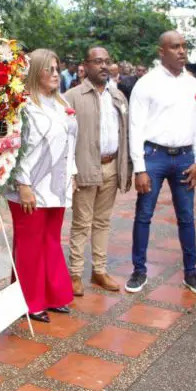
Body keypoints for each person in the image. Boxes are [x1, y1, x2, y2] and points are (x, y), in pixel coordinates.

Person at [126, 31, 196, 296]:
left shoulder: (194, 86)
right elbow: (135, 127)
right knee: (144, 215)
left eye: (184, 46)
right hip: (154, 157)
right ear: (162, 51)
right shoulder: (146, 84)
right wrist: (139, 168)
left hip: (185, 159)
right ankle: (139, 270)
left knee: (186, 217)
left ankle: (191, 272)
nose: (182, 51)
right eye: (175, 47)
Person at [6, 49, 77, 323]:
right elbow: (17, 149)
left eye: (58, 68)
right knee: (29, 245)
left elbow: (70, 144)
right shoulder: (22, 107)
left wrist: (72, 173)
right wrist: (23, 184)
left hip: (56, 185)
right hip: (29, 187)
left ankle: (52, 295)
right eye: (50, 69)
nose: (56, 74)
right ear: (36, 72)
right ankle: (29, 301)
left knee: (50, 240)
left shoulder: (61, 105)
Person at [65, 47, 131, 296]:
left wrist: (125, 167)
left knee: (102, 222)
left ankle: (99, 271)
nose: (103, 66)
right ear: (86, 65)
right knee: (82, 223)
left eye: (107, 61)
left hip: (111, 165)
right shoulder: (72, 97)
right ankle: (75, 274)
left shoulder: (117, 97)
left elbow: (124, 134)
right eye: (97, 62)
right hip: (84, 167)